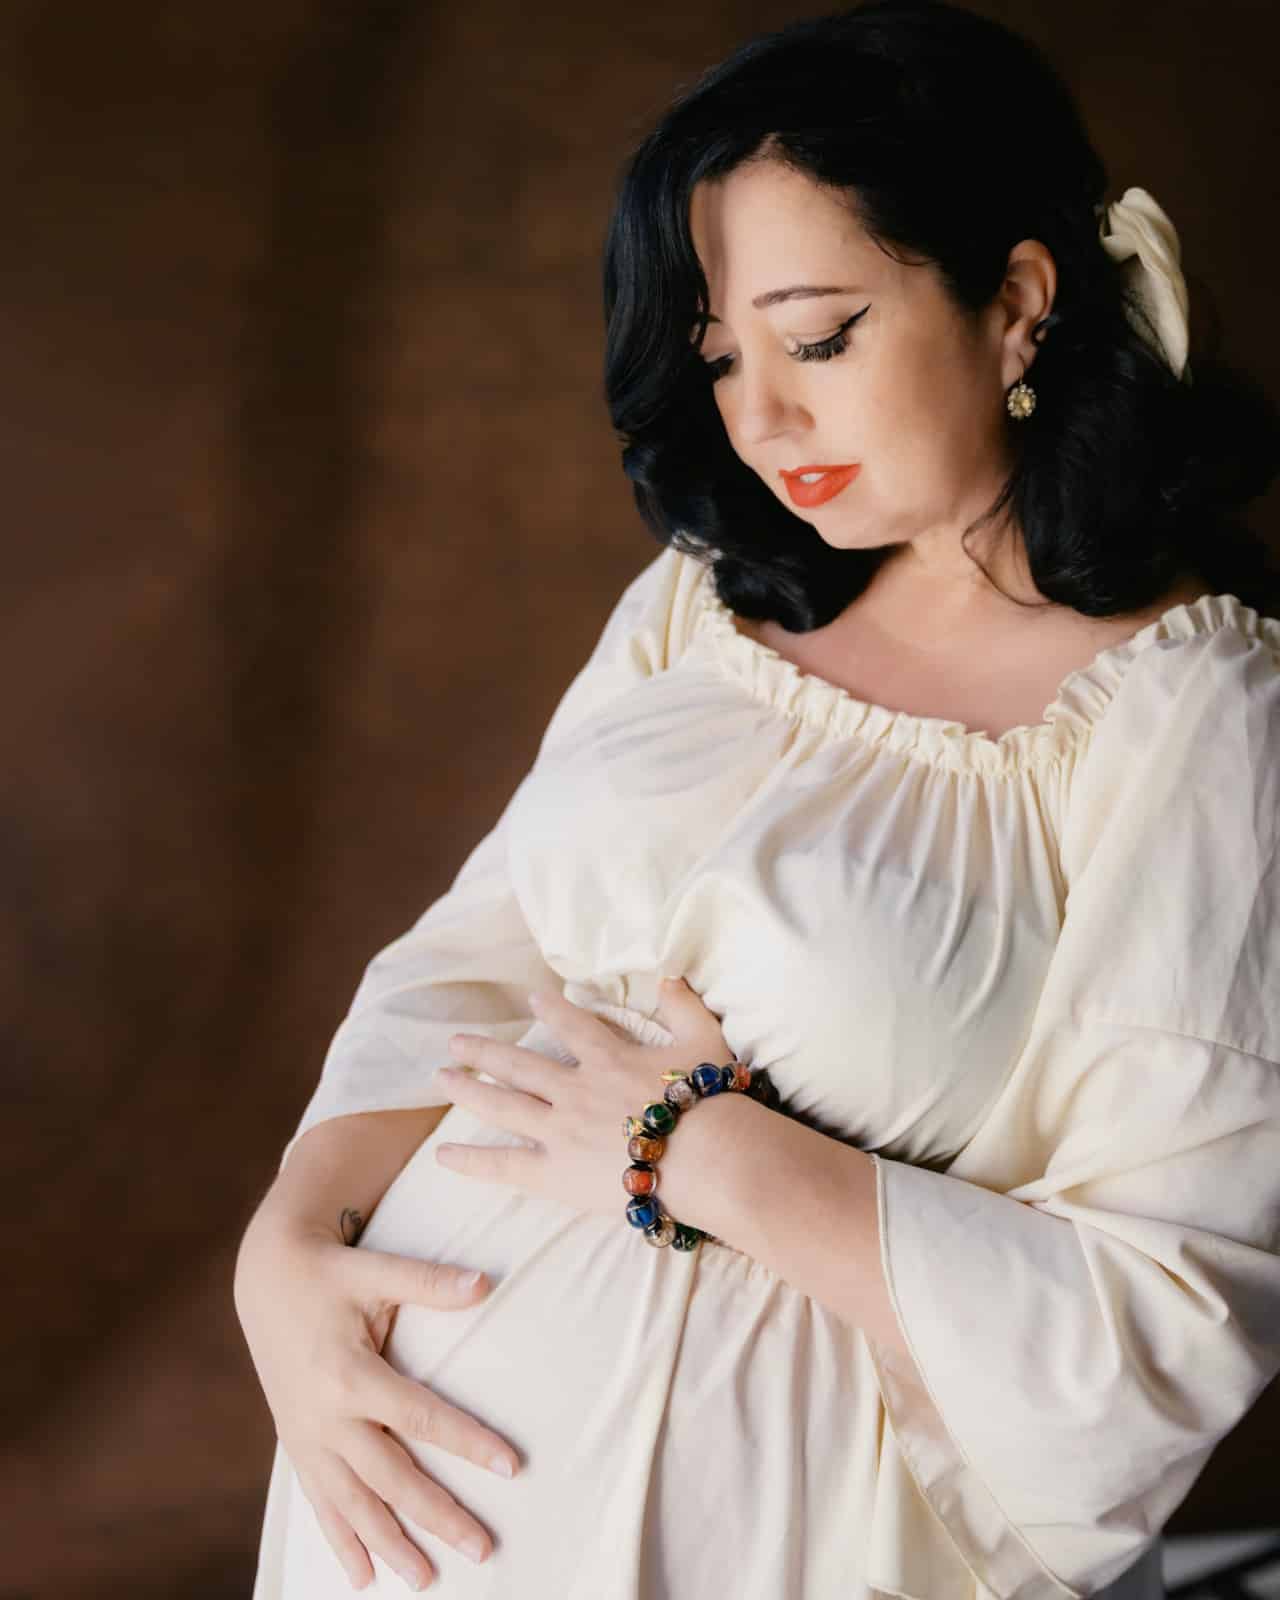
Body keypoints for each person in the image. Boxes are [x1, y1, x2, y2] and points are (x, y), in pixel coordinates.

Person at [235, 2, 1280, 1596]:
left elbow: (1157, 1320)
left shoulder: (1194, 718)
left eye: (821, 336)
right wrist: (289, 1251)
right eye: (724, 355)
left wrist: (697, 1154)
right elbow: (473, 962)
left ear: (1017, 303)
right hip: (388, 1523)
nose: (761, 416)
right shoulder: (701, 603)